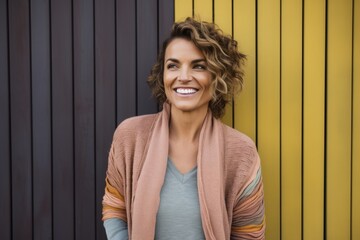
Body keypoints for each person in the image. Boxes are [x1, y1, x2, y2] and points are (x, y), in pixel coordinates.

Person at [102, 17, 265, 240]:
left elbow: (249, 233)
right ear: (163, 75)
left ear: (217, 76)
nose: (184, 77)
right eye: (173, 65)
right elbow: (114, 206)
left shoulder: (241, 152)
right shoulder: (130, 136)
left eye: (199, 66)